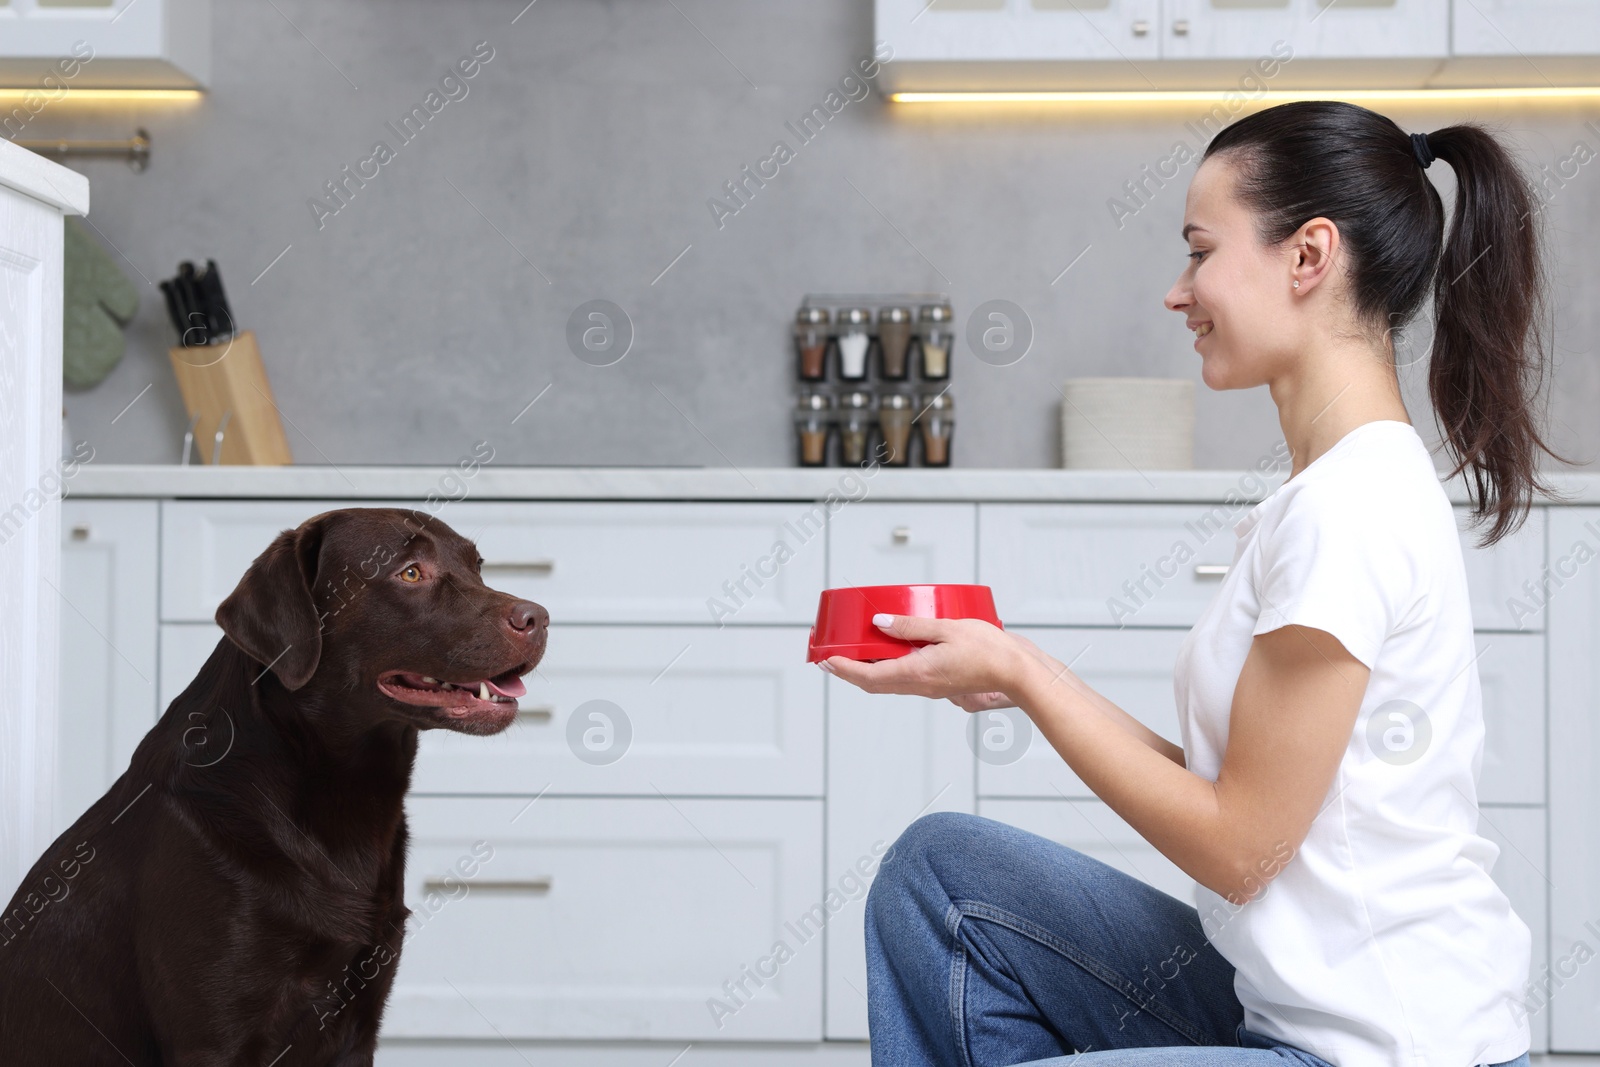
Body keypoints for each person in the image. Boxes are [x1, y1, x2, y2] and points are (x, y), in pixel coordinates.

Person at [820, 99, 1571, 1067]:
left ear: (1308, 256)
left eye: (1199, 251)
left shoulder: (1350, 509)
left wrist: (1027, 677)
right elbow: (1248, 794)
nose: (1178, 292)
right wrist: (1018, 671)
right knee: (943, 873)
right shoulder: (1333, 492)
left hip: (1382, 1048)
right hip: (1285, 1011)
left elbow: (1240, 848)